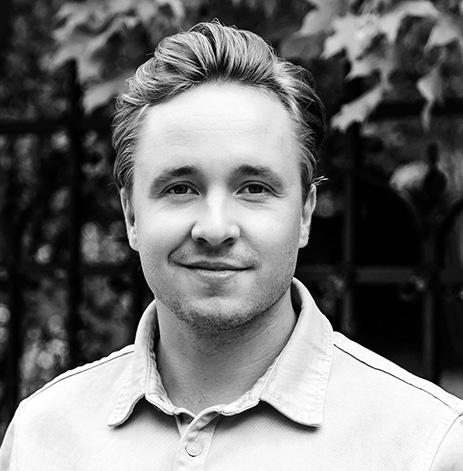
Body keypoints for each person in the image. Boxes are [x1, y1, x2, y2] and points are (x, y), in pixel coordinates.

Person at [1, 21, 462, 471]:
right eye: (180, 188)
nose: (216, 228)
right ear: (131, 215)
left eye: (254, 188)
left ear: (304, 213)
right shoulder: (41, 438)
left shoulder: (427, 447)